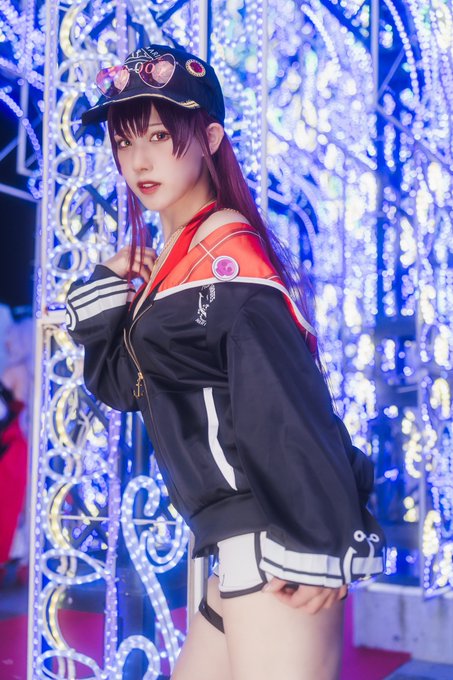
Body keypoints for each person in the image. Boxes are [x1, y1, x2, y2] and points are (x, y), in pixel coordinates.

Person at [66, 44, 385, 680]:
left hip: (275, 549)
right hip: (236, 550)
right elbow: (128, 387)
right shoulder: (181, 262)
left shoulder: (228, 264)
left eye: (160, 135)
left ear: (210, 138)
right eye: (125, 142)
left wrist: (321, 539)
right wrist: (105, 292)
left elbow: (287, 405)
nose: (140, 160)